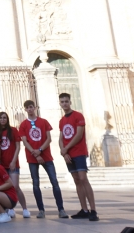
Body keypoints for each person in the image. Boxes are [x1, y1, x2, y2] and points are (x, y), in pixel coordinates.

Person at [19, 100, 66, 219]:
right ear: (25, 109)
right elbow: (25, 141)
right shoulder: (23, 124)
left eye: (31, 107)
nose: (29, 109)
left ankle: (61, 209)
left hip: (46, 156)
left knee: (54, 182)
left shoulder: (43, 122)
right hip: (32, 158)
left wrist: (39, 150)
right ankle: (41, 210)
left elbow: (49, 138)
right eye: (27, 108)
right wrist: (35, 154)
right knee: (35, 184)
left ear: (34, 108)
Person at [59, 93, 98, 221]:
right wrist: (64, 152)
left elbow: (78, 135)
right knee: (76, 180)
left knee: (83, 178)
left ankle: (93, 210)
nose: (64, 103)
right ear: (60, 103)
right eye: (62, 101)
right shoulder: (62, 120)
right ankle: (84, 209)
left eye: (66, 101)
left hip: (79, 152)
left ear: (70, 102)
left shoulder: (78, 116)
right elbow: (61, 137)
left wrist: (66, 148)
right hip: (68, 154)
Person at [0, 111, 30, 218]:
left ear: (7, 119)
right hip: (2, 165)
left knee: (15, 186)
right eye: (1, 118)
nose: (3, 120)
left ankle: (25, 209)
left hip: (12, 164)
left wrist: (14, 161)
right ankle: (10, 209)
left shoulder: (13, 130)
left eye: (4, 118)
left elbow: (18, 146)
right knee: (5, 188)